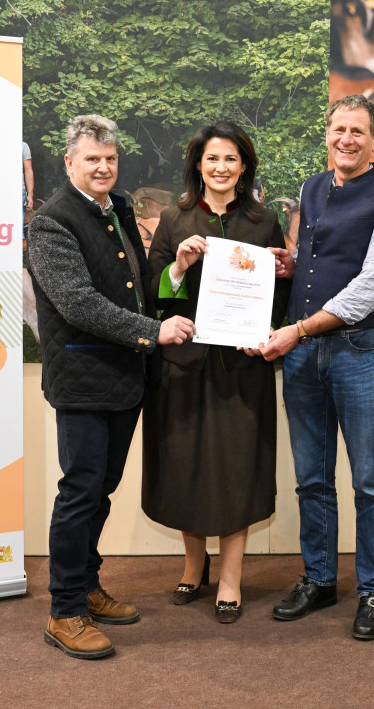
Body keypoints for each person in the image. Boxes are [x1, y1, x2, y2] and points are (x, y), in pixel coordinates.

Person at [28, 114, 194, 659]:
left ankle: (87, 587)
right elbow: (77, 303)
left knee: (100, 491)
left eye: (111, 158)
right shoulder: (51, 222)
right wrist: (154, 332)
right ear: (70, 162)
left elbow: (140, 288)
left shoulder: (118, 208)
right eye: (92, 159)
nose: (103, 167)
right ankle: (65, 610)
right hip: (81, 380)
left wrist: (177, 271)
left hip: (124, 379)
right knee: (79, 493)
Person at [261, 94, 374, 641]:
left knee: (371, 483)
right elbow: (320, 259)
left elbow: (373, 284)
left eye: (357, 130)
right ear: (326, 134)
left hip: (359, 351)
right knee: (312, 479)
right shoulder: (311, 187)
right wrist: (291, 264)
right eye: (337, 129)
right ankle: (320, 578)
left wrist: (298, 331)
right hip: (304, 354)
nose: (345, 139)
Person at [142, 121, 291, 624]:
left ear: (244, 165)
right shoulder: (173, 218)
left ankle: (230, 578)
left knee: (235, 473)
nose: (221, 168)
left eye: (230, 159)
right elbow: (154, 294)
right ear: (197, 166)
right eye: (212, 159)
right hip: (184, 370)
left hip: (241, 371)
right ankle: (192, 565)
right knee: (186, 469)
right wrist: (179, 267)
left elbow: (282, 299)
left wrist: (272, 315)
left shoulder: (265, 221)